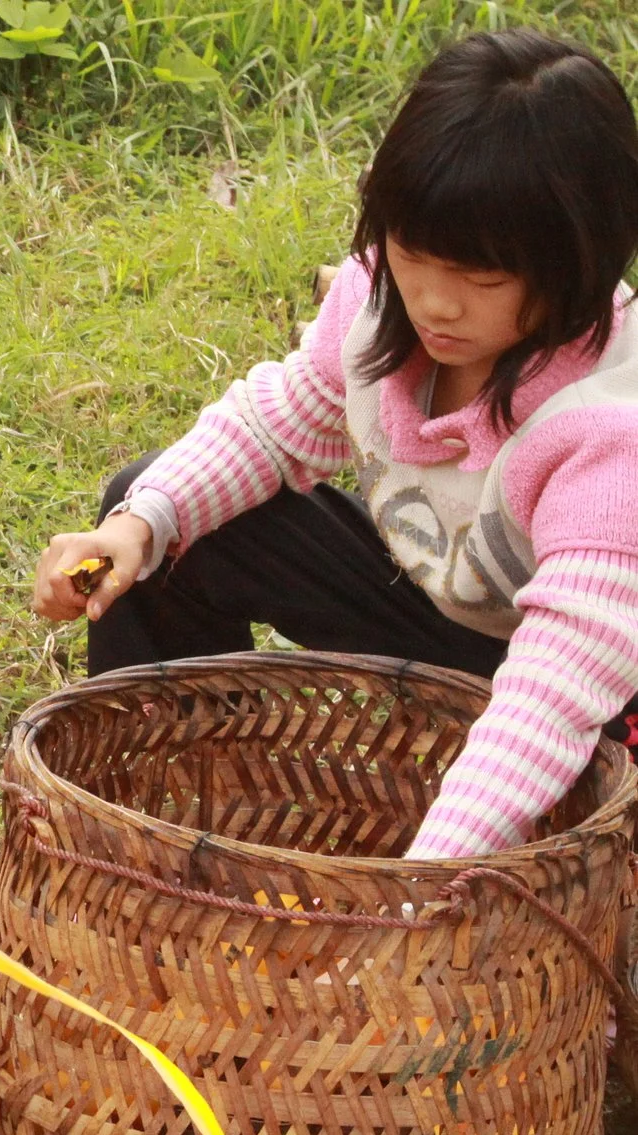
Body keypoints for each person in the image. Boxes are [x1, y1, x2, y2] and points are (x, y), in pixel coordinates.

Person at [33, 29, 638, 860]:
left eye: (482, 279)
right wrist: (137, 527)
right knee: (161, 514)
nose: (436, 303)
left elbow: (554, 694)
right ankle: (165, 826)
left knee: (594, 904)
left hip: (606, 685)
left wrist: (414, 882)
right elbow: (275, 426)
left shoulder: (611, 428)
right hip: (455, 619)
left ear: (574, 266)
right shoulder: (381, 299)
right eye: (414, 255)